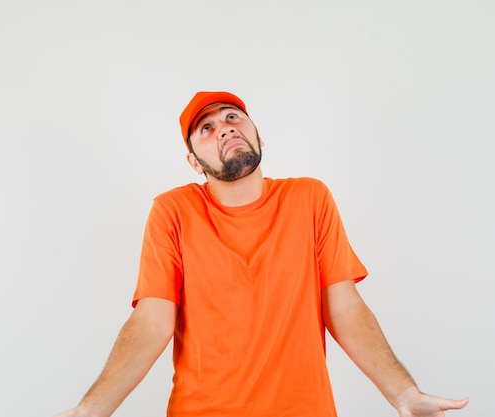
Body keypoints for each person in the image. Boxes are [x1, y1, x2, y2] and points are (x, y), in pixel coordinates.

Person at [54, 91, 469, 417]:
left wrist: (404, 393)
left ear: (257, 134)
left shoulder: (310, 198)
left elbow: (344, 309)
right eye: (207, 128)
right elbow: (152, 319)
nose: (224, 129)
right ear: (194, 162)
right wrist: (93, 410)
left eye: (233, 118)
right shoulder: (173, 211)